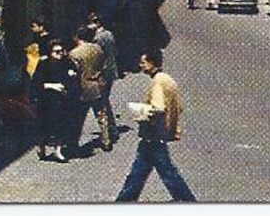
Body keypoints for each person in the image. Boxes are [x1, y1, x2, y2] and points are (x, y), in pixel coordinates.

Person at [115, 48, 195, 202]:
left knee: (165, 171)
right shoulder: (167, 79)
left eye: (143, 63)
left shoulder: (158, 82)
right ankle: (125, 199)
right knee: (141, 170)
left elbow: (158, 107)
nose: (141, 66)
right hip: (159, 134)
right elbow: (178, 106)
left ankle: (187, 200)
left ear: (152, 63)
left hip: (154, 133)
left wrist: (142, 112)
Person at [31, 37, 79, 163]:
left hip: (61, 99)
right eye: (56, 52)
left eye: (61, 51)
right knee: (43, 125)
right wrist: (52, 86)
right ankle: (42, 148)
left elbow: (74, 76)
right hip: (46, 100)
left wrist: (72, 75)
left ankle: (58, 150)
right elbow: (36, 83)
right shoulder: (43, 64)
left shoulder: (67, 62)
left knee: (61, 125)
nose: (60, 54)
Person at [71, 25, 113, 153]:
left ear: (77, 37)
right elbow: (103, 65)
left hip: (83, 86)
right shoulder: (98, 49)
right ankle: (106, 140)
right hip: (98, 83)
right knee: (101, 114)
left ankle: (74, 142)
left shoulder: (75, 53)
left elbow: (75, 71)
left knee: (79, 116)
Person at [89, 11, 122, 141]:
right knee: (105, 100)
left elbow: (97, 56)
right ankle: (111, 128)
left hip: (103, 72)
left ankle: (110, 129)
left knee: (102, 102)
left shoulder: (97, 38)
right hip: (112, 71)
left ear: (96, 23)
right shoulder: (109, 34)